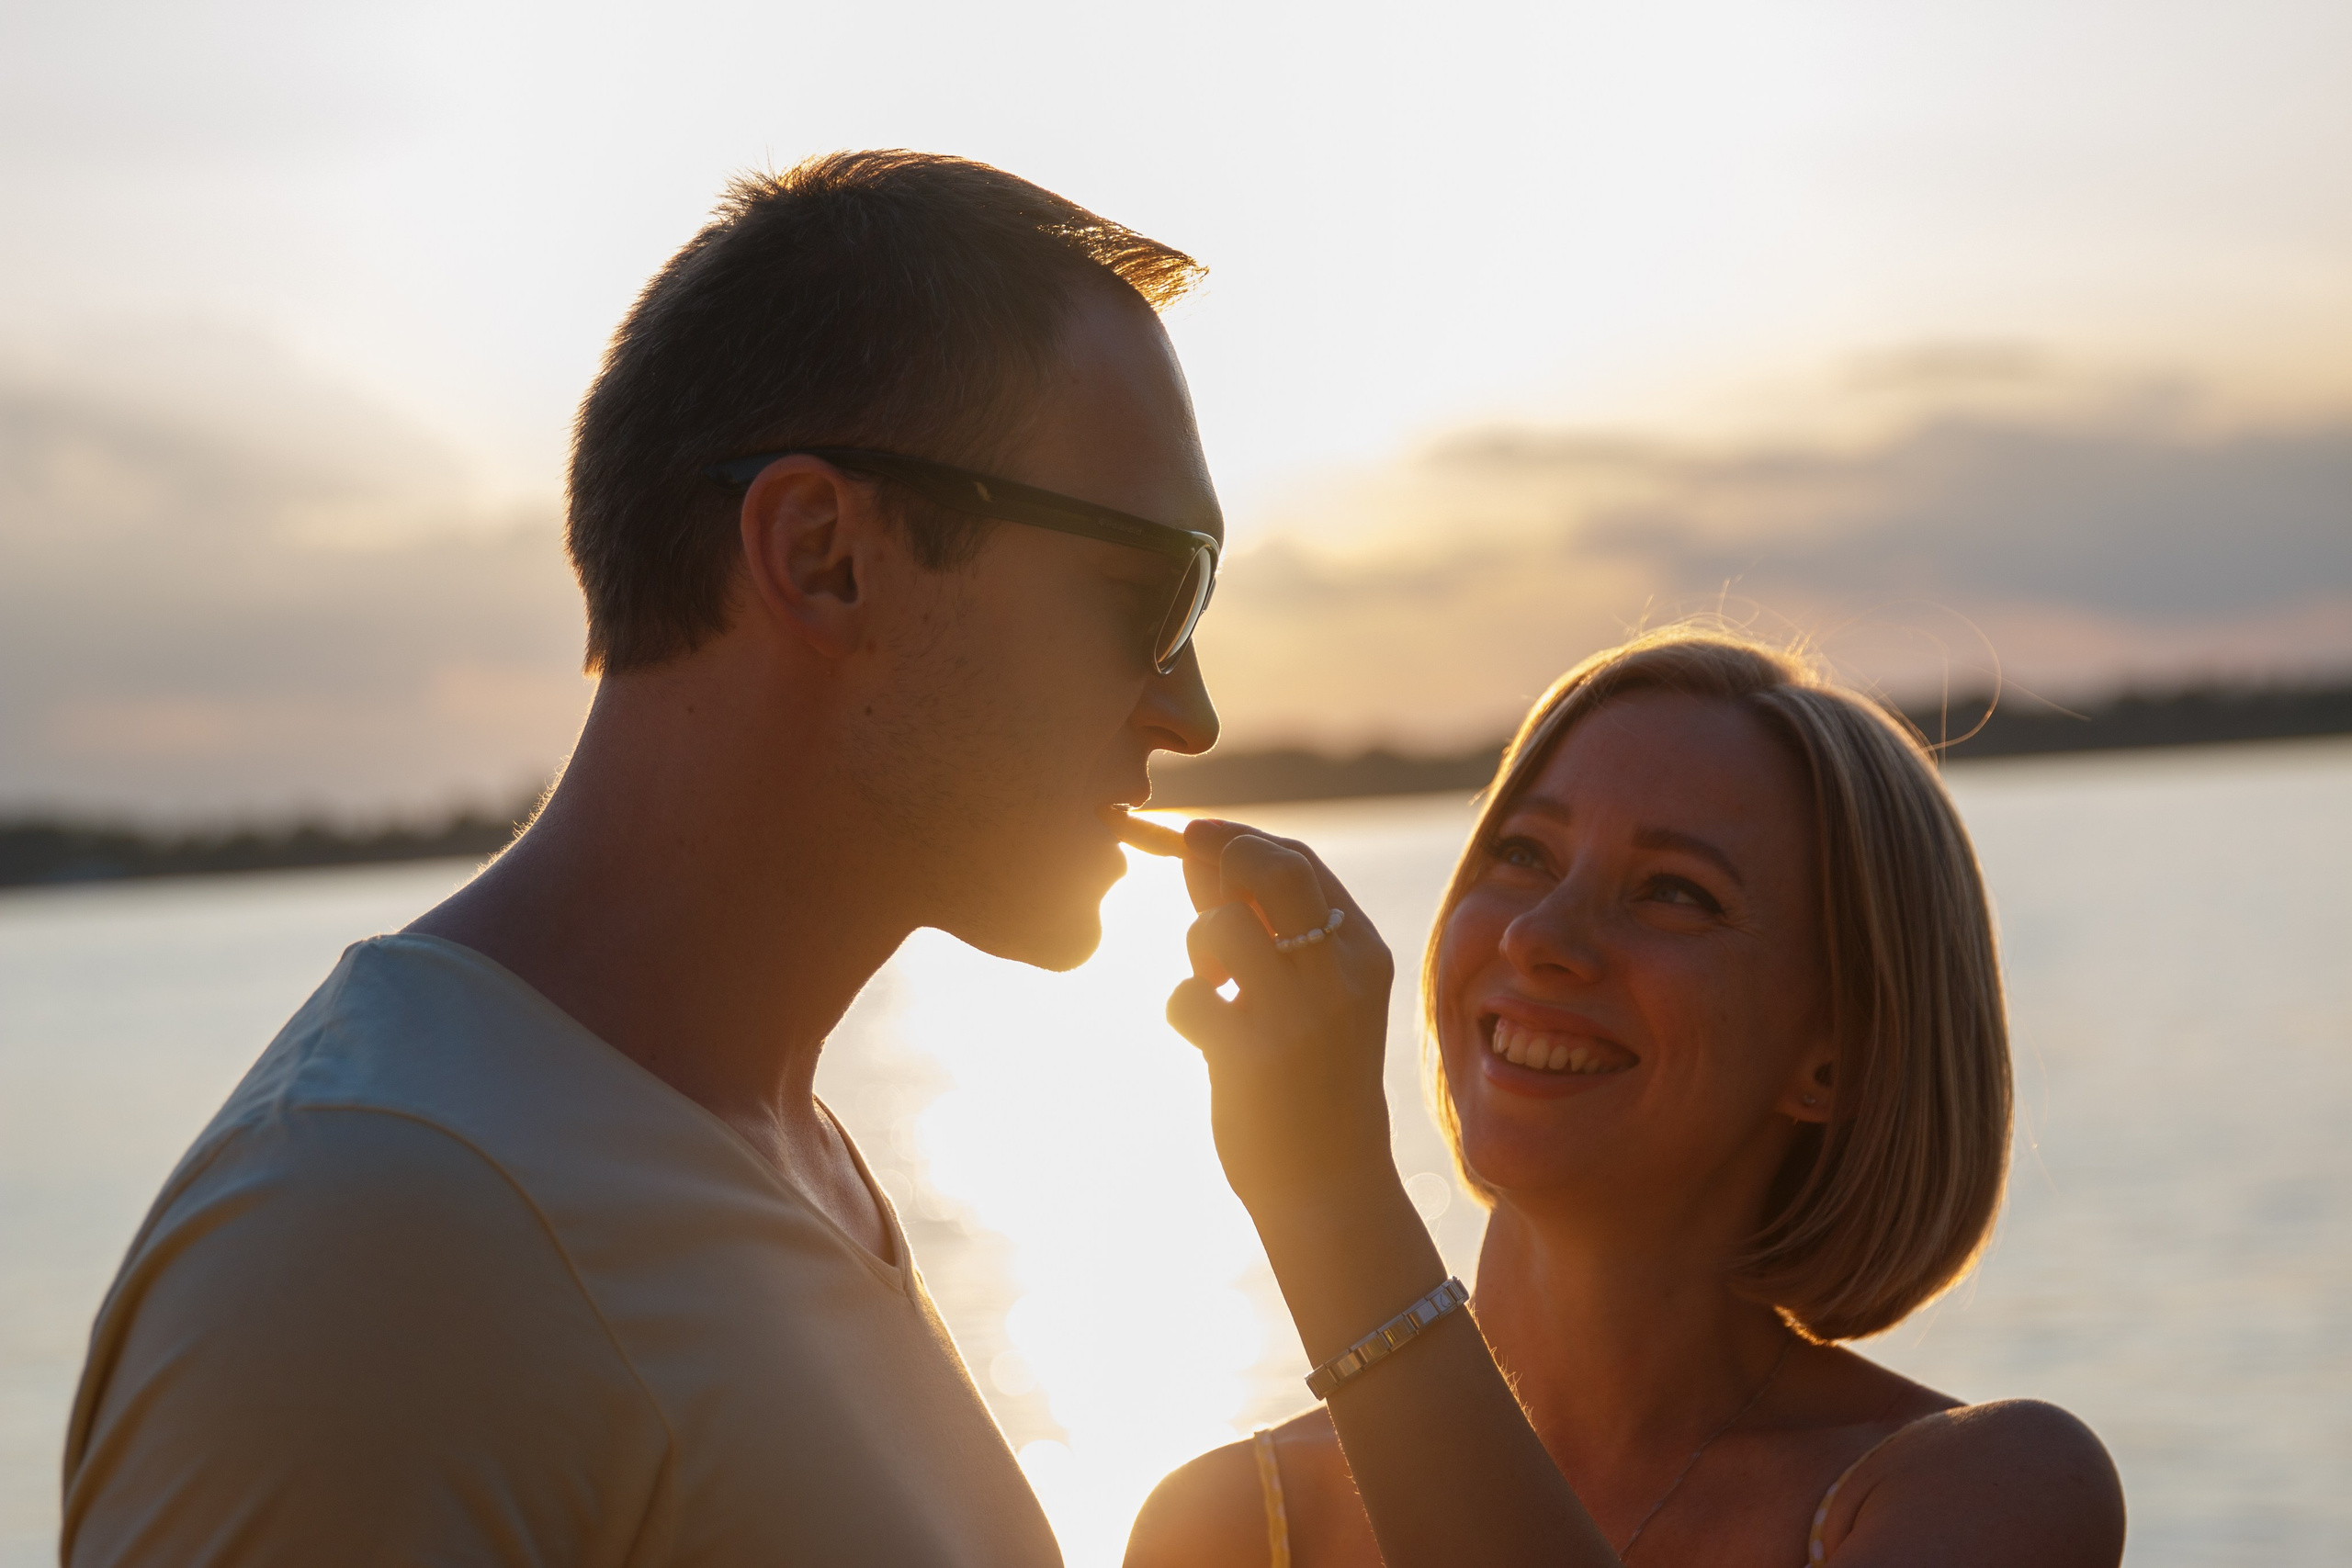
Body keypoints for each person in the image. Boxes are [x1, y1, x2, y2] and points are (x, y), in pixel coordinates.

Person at [60, 150, 1225, 1565]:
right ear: (823, 551)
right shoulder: (376, 1230)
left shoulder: (765, 1148)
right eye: (1149, 590)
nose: (1192, 711)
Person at [1130, 627, 2128, 1566]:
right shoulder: (1228, 1527)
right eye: (1524, 854)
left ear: (1838, 1059)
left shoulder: (1984, 1491)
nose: (1539, 937)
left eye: (1674, 891)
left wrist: (1335, 1202)